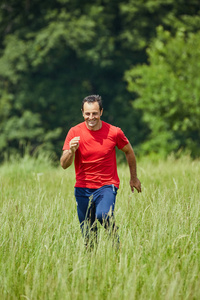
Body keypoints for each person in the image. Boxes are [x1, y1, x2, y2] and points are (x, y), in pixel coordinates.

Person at [60, 95, 141, 248]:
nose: (91, 117)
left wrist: (134, 178)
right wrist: (71, 151)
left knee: (103, 215)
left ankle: (116, 243)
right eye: (88, 113)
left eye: (95, 113)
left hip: (106, 186)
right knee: (89, 235)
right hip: (82, 188)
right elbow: (64, 165)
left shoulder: (114, 132)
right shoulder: (74, 132)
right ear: (83, 113)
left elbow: (129, 152)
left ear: (101, 112)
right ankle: (93, 266)